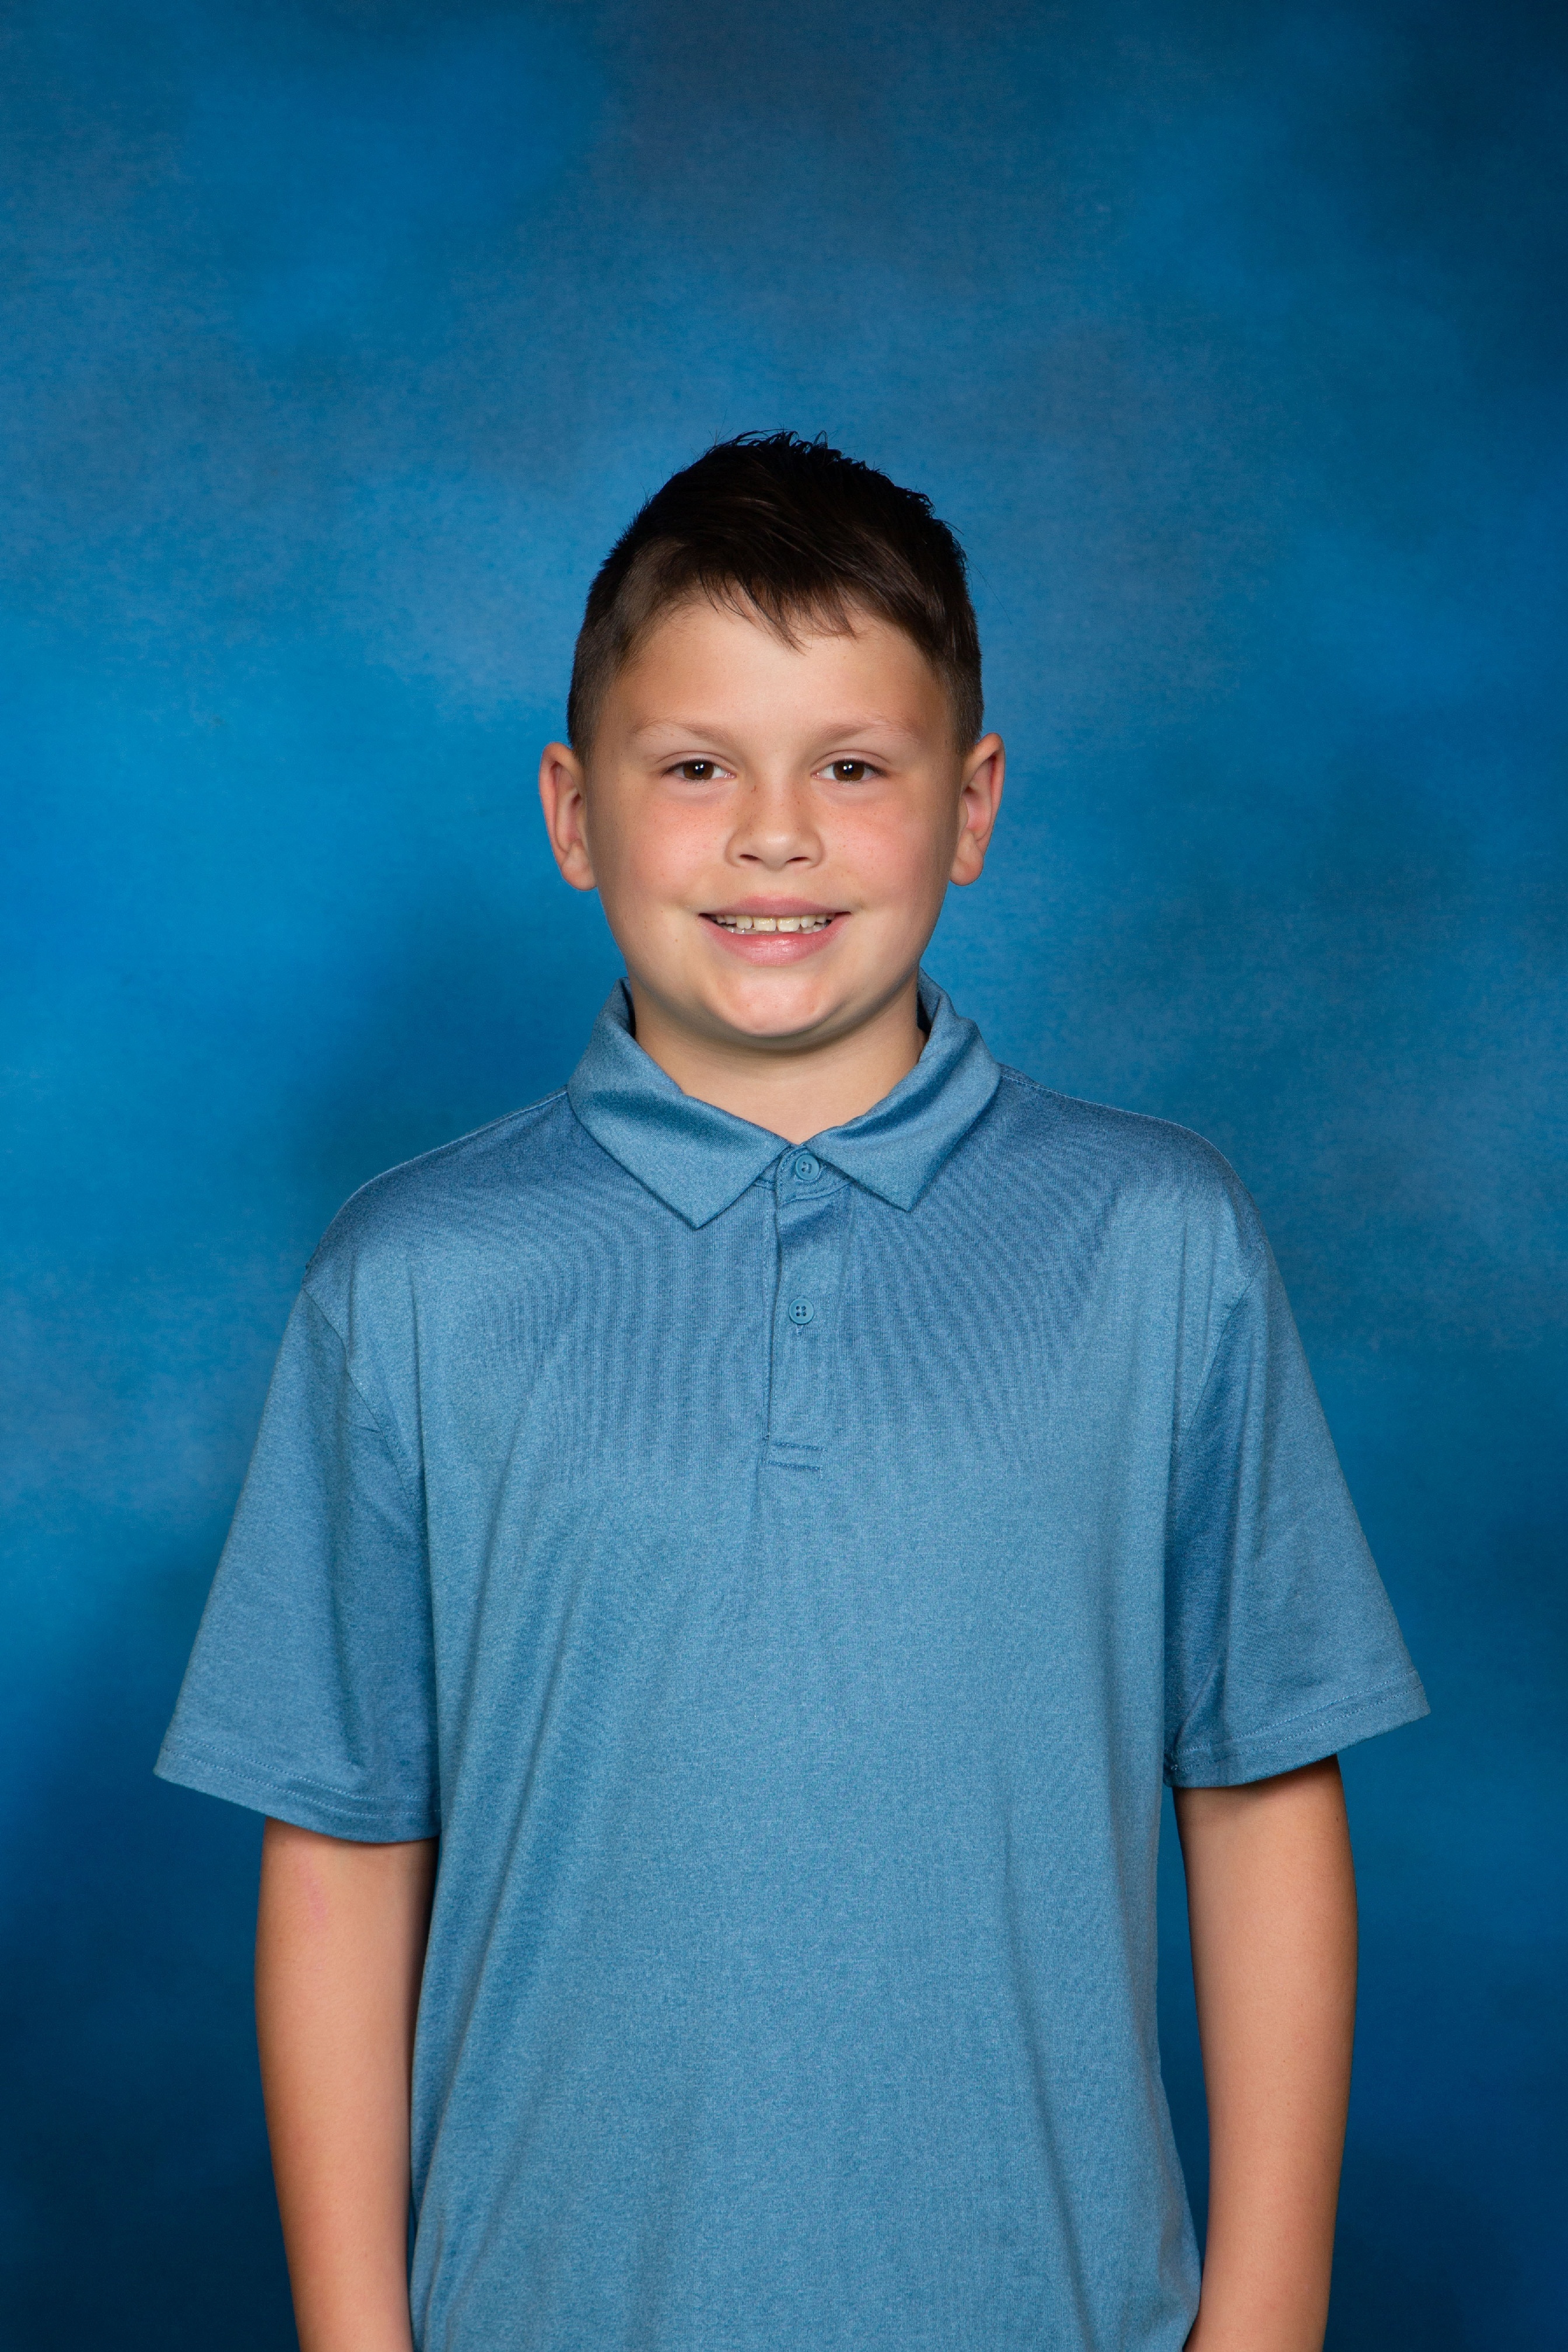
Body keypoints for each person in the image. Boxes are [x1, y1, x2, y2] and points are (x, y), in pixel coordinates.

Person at [156, 431, 1427, 2352]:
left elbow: (1259, 1795)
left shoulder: (1157, 1244)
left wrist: (1266, 2320)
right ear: (573, 813)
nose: (775, 837)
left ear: (971, 805)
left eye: (852, 767)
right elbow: (342, 1847)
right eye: (696, 768)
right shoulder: (415, 1279)